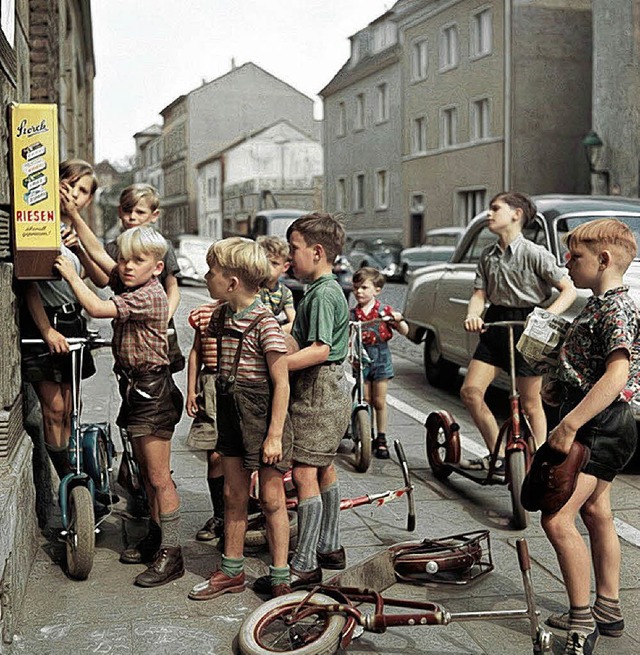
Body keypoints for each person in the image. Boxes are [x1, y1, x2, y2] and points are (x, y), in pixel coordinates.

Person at [54, 227, 184, 588]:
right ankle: (157, 539)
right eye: (124, 258)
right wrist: (80, 232)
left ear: (157, 267)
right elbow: (102, 255)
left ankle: (172, 555)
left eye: (136, 261)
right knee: (146, 475)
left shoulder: (150, 296)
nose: (126, 266)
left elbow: (96, 308)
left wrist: (69, 272)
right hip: (136, 389)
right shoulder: (134, 284)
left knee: (159, 478)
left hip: (152, 393)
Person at [541, 219, 639, 655]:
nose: (567, 262)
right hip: (604, 420)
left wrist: (569, 423)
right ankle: (608, 607)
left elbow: (617, 373)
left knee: (557, 519)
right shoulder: (600, 303)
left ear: (603, 260)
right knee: (597, 510)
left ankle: (582, 620)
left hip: (600, 423)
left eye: (575, 256)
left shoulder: (615, 307)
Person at [188, 237, 293, 600]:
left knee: (271, 498)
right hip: (232, 414)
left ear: (231, 283)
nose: (205, 277)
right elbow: (203, 348)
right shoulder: (220, 315)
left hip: (264, 419)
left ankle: (280, 575)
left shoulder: (266, 324)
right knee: (234, 494)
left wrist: (275, 435)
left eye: (212, 272)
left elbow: (281, 383)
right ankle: (231, 571)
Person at [255, 212, 351, 593]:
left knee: (306, 472)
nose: (290, 256)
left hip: (319, 390)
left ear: (317, 251)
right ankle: (330, 545)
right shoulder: (315, 290)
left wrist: (276, 367)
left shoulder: (325, 294)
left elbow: (319, 349)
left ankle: (306, 563)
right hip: (324, 390)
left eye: (294, 249)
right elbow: (297, 335)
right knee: (323, 466)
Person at [460, 191, 576, 472]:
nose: (489, 214)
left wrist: (546, 316)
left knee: (530, 402)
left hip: (530, 324)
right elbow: (479, 294)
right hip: (497, 322)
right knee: (471, 391)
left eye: (495, 208)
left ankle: (539, 464)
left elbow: (568, 290)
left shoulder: (535, 253)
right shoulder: (488, 255)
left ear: (516, 214)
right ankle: (496, 453)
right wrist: (473, 314)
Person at [20, 159, 104, 483]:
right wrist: (45, 329)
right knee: (53, 409)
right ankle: (70, 481)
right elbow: (28, 283)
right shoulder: (37, 223)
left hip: (73, 323)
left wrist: (80, 250)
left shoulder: (73, 230)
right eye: (69, 184)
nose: (74, 195)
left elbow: (99, 278)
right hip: (45, 323)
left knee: (70, 409)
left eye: (82, 191)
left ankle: (75, 482)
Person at [71, 183, 185, 373]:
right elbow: (102, 275)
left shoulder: (159, 246)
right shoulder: (115, 247)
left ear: (154, 215)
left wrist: (162, 321)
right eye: (127, 210)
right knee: (129, 372)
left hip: (154, 323)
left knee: (157, 375)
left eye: (140, 212)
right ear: (119, 211)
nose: (132, 217)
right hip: (126, 321)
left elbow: (173, 290)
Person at [350, 266, 408, 458]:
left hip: (381, 355)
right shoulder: (353, 314)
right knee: (364, 399)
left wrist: (398, 320)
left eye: (364, 287)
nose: (359, 291)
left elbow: (405, 330)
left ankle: (381, 437)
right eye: (356, 287)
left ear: (377, 290)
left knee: (379, 400)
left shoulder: (383, 310)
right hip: (361, 357)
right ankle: (367, 434)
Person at [185, 298, 225, 542]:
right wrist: (191, 390)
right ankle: (219, 514)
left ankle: (242, 513)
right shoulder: (203, 313)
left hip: (240, 383)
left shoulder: (254, 309)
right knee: (214, 453)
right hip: (209, 385)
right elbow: (196, 352)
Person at [257, 235, 296, 334]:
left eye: (274, 263)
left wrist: (274, 333)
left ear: (285, 267)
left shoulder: (285, 293)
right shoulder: (252, 287)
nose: (268, 267)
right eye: (265, 262)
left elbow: (294, 323)